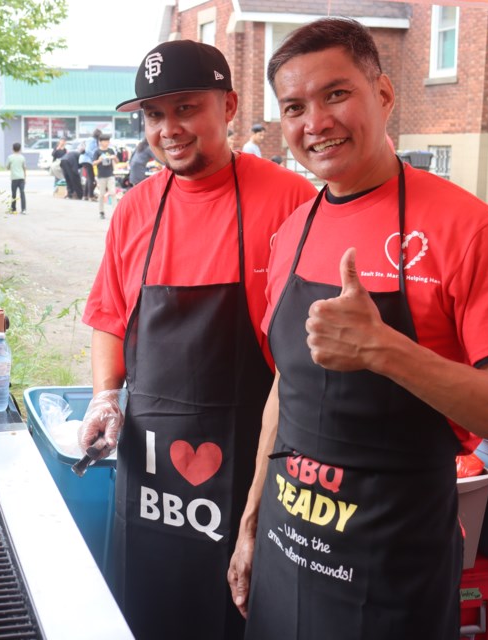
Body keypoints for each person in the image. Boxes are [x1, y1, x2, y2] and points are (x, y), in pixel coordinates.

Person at [227, 18, 488, 640]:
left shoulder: (471, 231)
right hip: (286, 549)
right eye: (294, 107)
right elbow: (286, 388)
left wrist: (386, 350)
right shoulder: (293, 232)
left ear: (383, 95)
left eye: (336, 95)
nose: (314, 123)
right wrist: (249, 523)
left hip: (389, 579)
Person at [79, 39, 316, 640]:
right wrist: (105, 397)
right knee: (146, 611)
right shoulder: (135, 208)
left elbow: (305, 361)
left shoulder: (291, 202)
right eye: (155, 115)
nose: (169, 129)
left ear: (228, 106)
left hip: (252, 461)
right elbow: (111, 315)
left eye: (186, 108)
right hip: (151, 469)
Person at [92, 134, 118, 219]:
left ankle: (115, 212)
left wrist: (114, 158)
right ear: (100, 142)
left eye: (108, 141)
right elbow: (93, 163)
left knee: (113, 192)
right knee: (101, 194)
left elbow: (117, 161)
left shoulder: (111, 150)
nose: (107, 143)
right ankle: (101, 212)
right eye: (105, 141)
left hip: (110, 174)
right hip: (101, 176)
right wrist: (99, 160)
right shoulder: (97, 152)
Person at [80, 129, 101, 200]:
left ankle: (85, 195)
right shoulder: (92, 140)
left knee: (88, 178)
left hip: (85, 160)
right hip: (87, 160)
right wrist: (94, 157)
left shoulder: (91, 139)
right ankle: (90, 196)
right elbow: (88, 150)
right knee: (91, 178)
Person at [6, 142, 27, 214]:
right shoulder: (22, 157)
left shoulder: (10, 157)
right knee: (22, 193)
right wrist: (25, 178)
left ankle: (13, 209)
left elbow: (7, 167)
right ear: (20, 149)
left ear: (13, 149)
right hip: (21, 178)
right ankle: (23, 209)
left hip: (14, 178)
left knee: (14, 194)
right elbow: (24, 168)